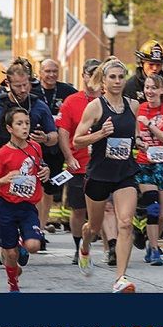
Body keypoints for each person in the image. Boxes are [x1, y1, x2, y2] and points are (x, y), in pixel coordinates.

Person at [73, 57, 140, 293]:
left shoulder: (133, 106)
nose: (117, 81)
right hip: (99, 173)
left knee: (125, 224)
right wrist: (100, 134)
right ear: (103, 80)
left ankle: (120, 278)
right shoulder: (95, 107)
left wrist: (140, 142)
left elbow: (135, 133)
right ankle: (85, 246)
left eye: (121, 77)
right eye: (112, 77)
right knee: (94, 225)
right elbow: (77, 140)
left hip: (125, 173)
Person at [0, 107, 50, 292]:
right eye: (19, 124)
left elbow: (39, 166)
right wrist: (4, 180)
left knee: (34, 246)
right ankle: (13, 282)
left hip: (27, 206)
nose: (25, 127)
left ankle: (20, 241)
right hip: (6, 207)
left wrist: (46, 171)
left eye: (27, 123)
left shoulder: (35, 147)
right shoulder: (2, 154)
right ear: (10, 128)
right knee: (10, 254)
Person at [56, 58, 103, 265]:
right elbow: (63, 132)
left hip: (104, 165)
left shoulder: (109, 100)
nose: (93, 78)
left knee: (106, 209)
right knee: (79, 210)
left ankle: (111, 247)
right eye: (90, 74)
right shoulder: (72, 101)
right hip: (79, 165)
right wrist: (69, 157)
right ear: (83, 76)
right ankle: (78, 247)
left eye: (97, 74)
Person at [134, 73, 163, 265]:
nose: (149, 92)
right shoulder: (139, 109)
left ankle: (150, 239)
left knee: (162, 214)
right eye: (147, 88)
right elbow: (135, 136)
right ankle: (154, 250)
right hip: (145, 163)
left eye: (153, 88)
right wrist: (138, 142)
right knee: (152, 207)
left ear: (162, 90)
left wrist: (150, 125)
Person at [33, 59, 78, 235]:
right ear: (40, 72)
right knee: (36, 185)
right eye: (47, 71)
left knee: (50, 188)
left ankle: (41, 228)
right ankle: (34, 225)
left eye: (55, 71)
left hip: (57, 146)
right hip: (35, 145)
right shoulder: (33, 91)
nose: (51, 75)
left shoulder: (66, 91)